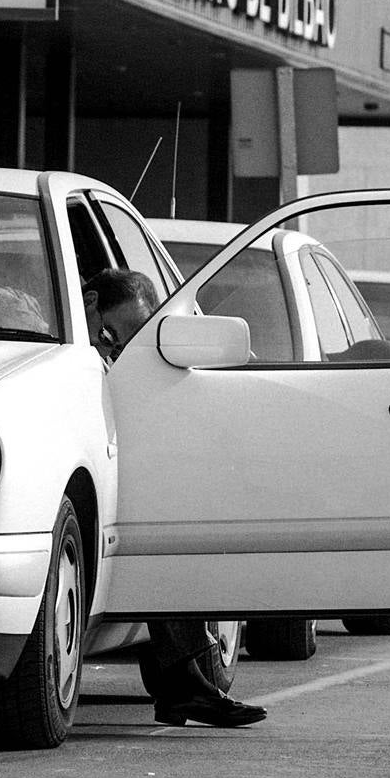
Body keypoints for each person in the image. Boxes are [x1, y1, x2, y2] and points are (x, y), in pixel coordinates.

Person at [82, 268, 267, 728]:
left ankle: (186, 684)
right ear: (87, 305)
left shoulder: (130, 360)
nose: (117, 350)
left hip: (125, 485)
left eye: (130, 343)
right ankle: (185, 686)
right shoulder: (64, 350)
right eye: (110, 335)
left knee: (179, 516)